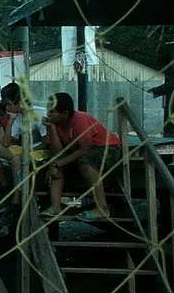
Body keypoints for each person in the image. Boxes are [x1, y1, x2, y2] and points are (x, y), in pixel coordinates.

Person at [40, 92, 121, 220]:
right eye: (48, 111)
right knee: (55, 164)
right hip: (79, 151)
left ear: (65, 114)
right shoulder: (54, 123)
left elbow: (85, 149)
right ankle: (55, 207)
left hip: (106, 148)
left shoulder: (80, 119)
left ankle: (102, 208)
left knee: (85, 163)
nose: (48, 115)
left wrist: (57, 163)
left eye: (53, 112)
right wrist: (52, 128)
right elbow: (58, 152)